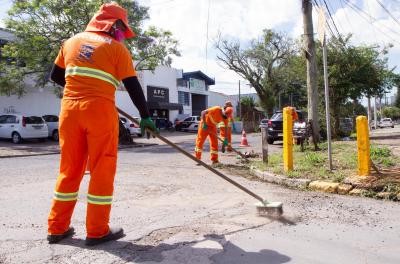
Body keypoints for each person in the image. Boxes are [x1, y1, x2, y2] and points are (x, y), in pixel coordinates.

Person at [47, 2, 158, 246]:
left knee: (69, 169)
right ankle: (97, 231)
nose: (122, 34)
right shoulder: (117, 49)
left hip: (69, 111)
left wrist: (82, 88)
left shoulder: (70, 42)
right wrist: (146, 116)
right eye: (122, 29)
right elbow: (133, 86)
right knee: (101, 168)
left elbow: (55, 75)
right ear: (114, 24)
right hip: (99, 112)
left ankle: (57, 228)